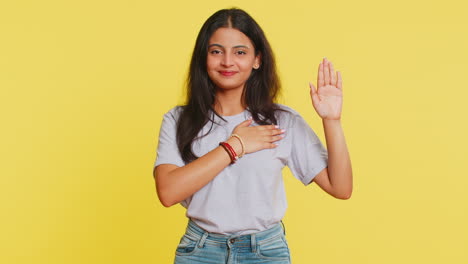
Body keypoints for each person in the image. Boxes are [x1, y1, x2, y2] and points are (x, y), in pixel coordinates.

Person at [153, 8, 352, 264]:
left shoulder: (281, 121)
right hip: (200, 252)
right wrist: (233, 147)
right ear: (204, 58)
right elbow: (168, 192)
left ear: (257, 59)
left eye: (240, 52)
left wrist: (332, 121)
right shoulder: (178, 119)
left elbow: (341, 187)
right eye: (216, 51)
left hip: (265, 252)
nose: (227, 61)